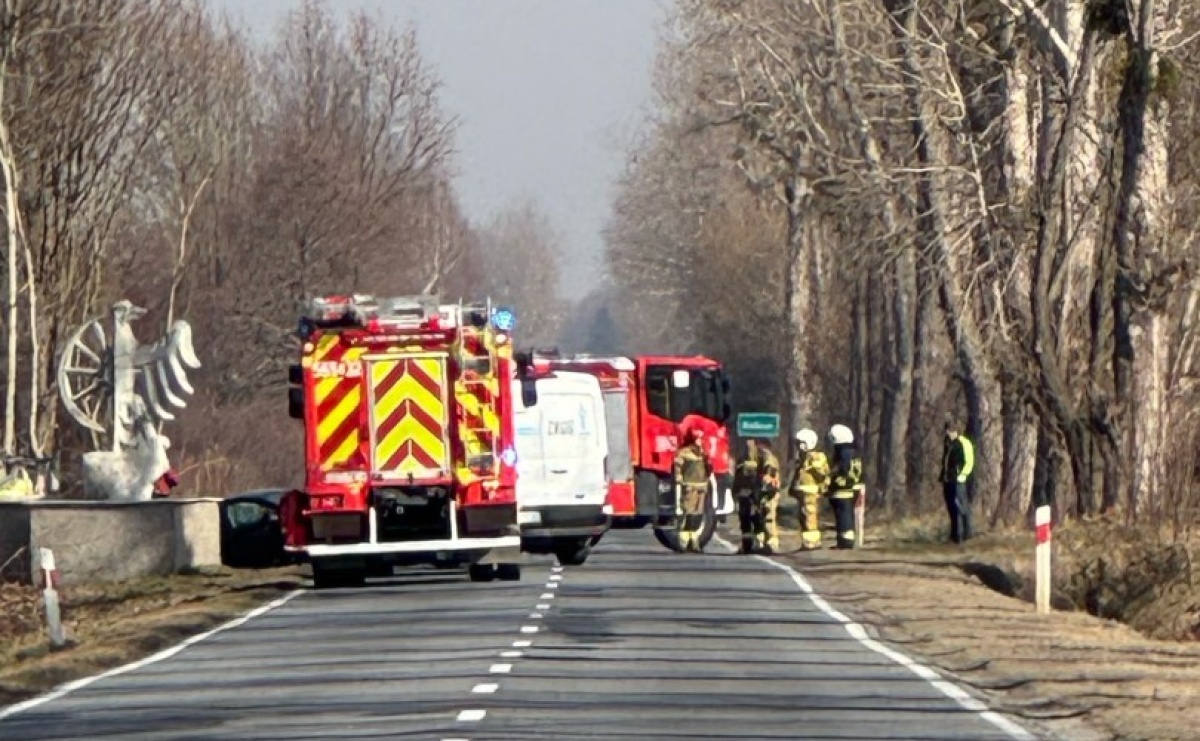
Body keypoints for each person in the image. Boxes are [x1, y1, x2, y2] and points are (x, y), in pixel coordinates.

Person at [787, 428, 829, 550]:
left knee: (809, 515)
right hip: (803, 492)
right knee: (803, 516)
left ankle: (812, 542)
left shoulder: (816, 457)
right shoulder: (802, 458)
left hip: (810, 491)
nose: (798, 446)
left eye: (801, 443)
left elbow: (822, 473)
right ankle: (807, 541)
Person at [672, 426, 712, 553]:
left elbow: (709, 470)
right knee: (687, 513)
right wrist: (679, 479)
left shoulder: (703, 454)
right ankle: (683, 541)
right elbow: (678, 467)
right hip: (689, 487)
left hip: (702, 487)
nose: (701, 440)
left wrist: (707, 459)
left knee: (697, 515)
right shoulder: (684, 452)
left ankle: (694, 541)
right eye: (698, 438)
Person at [825, 423, 864, 549]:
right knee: (847, 514)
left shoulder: (844, 452)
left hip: (844, 488)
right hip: (853, 486)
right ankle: (845, 539)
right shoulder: (853, 451)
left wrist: (832, 477)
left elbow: (842, 469)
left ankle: (846, 541)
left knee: (844, 514)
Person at [940, 421, 975, 543]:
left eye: (948, 431)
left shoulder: (963, 443)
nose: (947, 433)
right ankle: (954, 535)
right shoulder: (948, 443)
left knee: (960, 507)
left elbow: (968, 462)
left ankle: (965, 534)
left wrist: (960, 475)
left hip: (958, 481)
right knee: (951, 508)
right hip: (947, 480)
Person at [751, 437, 783, 554]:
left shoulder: (768, 458)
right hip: (762, 493)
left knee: (769, 517)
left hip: (769, 492)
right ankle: (760, 542)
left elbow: (769, 474)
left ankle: (772, 543)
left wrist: (767, 485)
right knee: (759, 518)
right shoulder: (761, 458)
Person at [734, 438, 761, 555]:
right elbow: (737, 479)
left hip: (751, 495)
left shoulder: (760, 459)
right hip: (749, 495)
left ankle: (753, 545)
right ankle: (750, 546)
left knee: (753, 520)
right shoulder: (743, 461)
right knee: (749, 521)